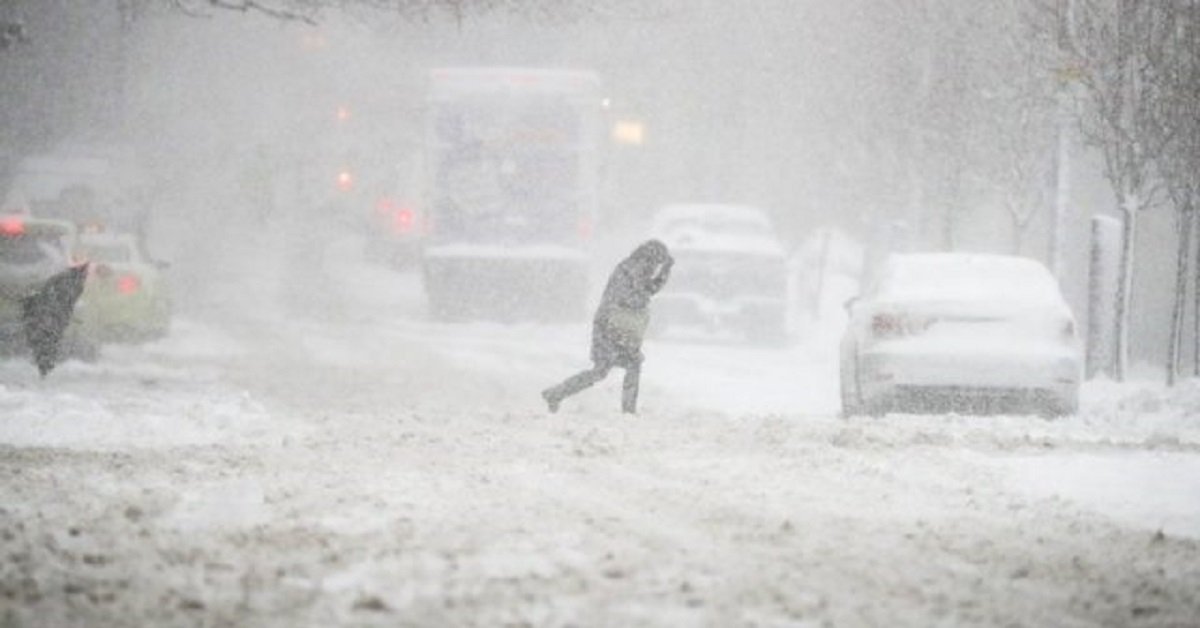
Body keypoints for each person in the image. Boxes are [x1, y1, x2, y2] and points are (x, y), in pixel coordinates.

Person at [543, 239, 674, 414]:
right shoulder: (629, 270)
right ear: (650, 258)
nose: (655, 267)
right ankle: (558, 393)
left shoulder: (636, 269)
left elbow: (649, 290)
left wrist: (665, 272)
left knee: (614, 368)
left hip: (619, 326)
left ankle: (557, 393)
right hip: (610, 326)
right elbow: (636, 296)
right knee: (607, 369)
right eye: (657, 262)